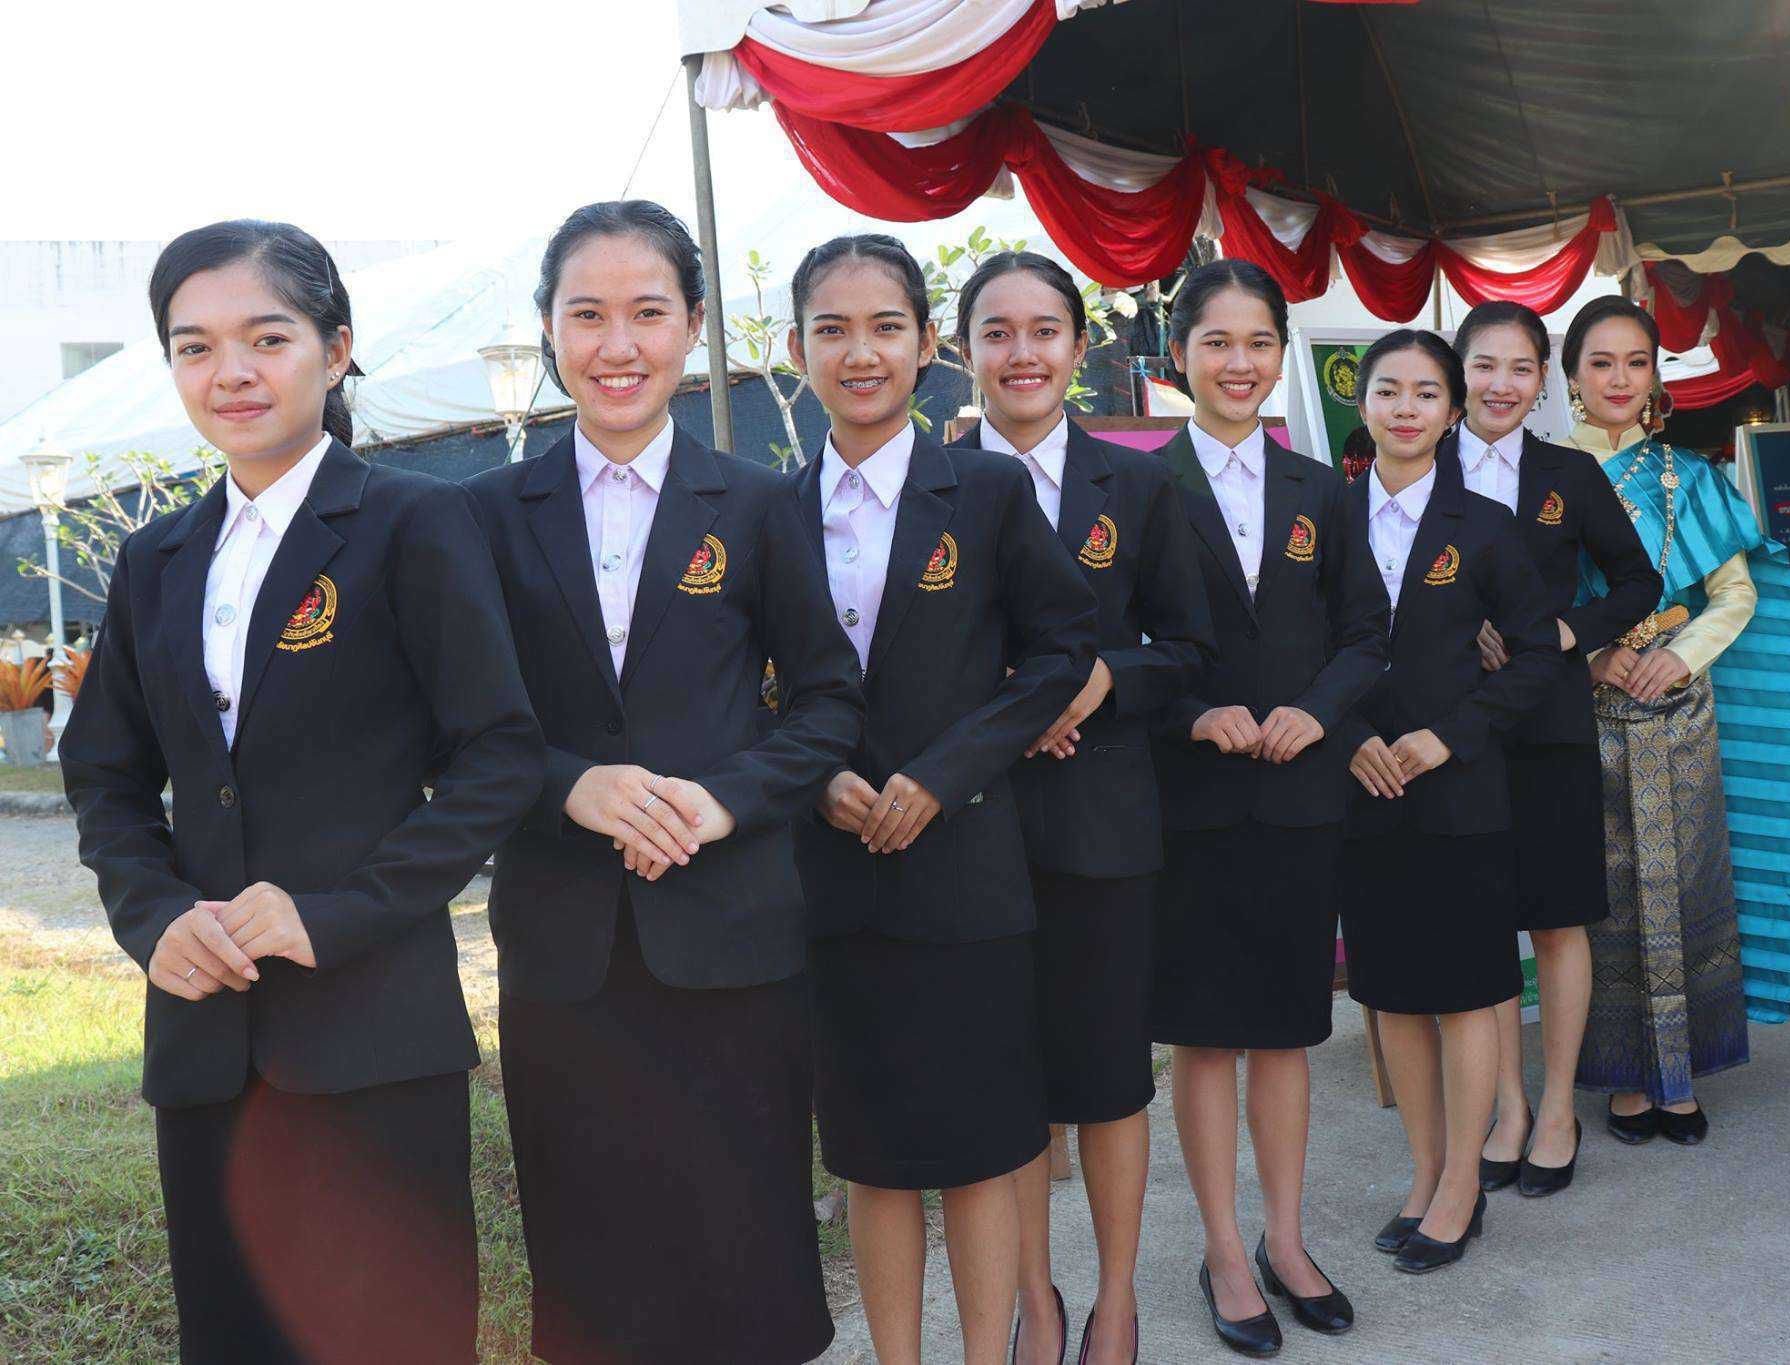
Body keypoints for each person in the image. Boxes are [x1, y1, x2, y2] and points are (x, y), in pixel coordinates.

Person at [61, 220, 543, 1362]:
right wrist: (152, 917)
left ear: (335, 350)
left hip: (373, 1034)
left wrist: (335, 914)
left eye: (265, 338)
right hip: (205, 1039)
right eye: (194, 346)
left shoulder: (414, 522)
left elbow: (499, 757)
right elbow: (106, 772)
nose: (229, 371)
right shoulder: (155, 558)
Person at [463, 201, 865, 1364]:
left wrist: (725, 797)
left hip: (730, 932)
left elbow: (828, 703)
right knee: (591, 1254)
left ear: (693, 324)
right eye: (586, 314)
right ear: (548, 329)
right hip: (564, 943)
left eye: (647, 312)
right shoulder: (478, 516)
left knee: (743, 1245)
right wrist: (568, 786)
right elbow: (457, 730)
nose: (617, 345)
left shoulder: (759, 504)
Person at [786, 233, 1097, 1365]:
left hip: (967, 873)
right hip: (834, 887)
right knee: (872, 1162)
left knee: (978, 1151)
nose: (859, 353)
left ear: (926, 344)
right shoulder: (767, 510)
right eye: (831, 330)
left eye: (885, 327)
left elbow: (1061, 653)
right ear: (796, 352)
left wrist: (943, 775)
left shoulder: (988, 488)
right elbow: (748, 688)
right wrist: (815, 778)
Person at [949, 252, 1215, 1365]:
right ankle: (1036, 1299)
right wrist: (1011, 709)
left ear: (1077, 343)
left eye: (1044, 330)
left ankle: (1113, 1300)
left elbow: (1190, 649)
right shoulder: (925, 483)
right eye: (997, 332)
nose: (1022, 354)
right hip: (971, 825)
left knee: (1108, 1081)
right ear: (962, 349)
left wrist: (1098, 681)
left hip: (1103, 825)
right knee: (1006, 1084)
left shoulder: (1139, 485)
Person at [1148, 259, 1388, 1355]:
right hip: (1191, 802)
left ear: (1279, 354)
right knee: (1206, 1038)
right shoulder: (1139, 489)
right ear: (1178, 357)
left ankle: (1285, 1239)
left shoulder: (1321, 491)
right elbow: (1119, 645)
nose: (1238, 363)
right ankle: (1223, 1252)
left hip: (1298, 797)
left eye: (1257, 343)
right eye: (1216, 342)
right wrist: (1194, 714)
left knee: (1287, 1032)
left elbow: (1365, 636)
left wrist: (1316, 712)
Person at [1336, 330, 1561, 1274]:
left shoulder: (1486, 524)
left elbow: (1537, 655)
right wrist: (1347, 737)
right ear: (1362, 404)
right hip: (1361, 787)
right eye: (1388, 390)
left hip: (1461, 789)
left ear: (1452, 411)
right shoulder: (1326, 515)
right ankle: (1425, 1171)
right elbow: (1298, 648)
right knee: (1391, 992)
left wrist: (1450, 735)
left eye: (1427, 393)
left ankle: (1464, 1183)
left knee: (1468, 991)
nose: (1406, 408)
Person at [1560, 295, 1790, 1145]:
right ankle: (1626, 1073)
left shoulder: (1689, 476)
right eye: (1601, 362)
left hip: (1678, 706)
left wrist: (1683, 655)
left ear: (1655, 376)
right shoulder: (1539, 478)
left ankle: (1681, 1068)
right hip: (1584, 711)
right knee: (1607, 895)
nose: (1619, 378)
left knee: (1687, 883)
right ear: (1572, 376)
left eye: (1636, 362)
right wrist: (1594, 657)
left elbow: (1736, 593)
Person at [1449, 302, 1662, 1199]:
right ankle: (1506, 1106)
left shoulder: (1568, 473)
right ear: (1458, 370)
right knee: (1483, 919)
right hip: (1454, 728)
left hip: (1551, 724)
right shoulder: (1418, 462)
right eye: (1484, 365)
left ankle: (1560, 1106)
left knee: (1557, 916)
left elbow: (1639, 579)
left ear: (1543, 380)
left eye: (1521, 368)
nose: (1501, 384)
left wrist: (1569, 633)